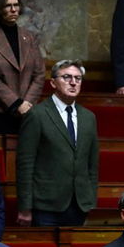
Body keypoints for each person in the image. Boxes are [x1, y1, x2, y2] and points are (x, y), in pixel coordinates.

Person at [15, 61, 98, 227]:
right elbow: (25, 163)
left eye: (78, 78)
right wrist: (25, 207)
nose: (73, 82)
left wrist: (90, 197)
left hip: (79, 205)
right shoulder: (37, 115)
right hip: (46, 206)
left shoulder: (89, 117)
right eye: (67, 77)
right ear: (53, 82)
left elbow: (92, 163)